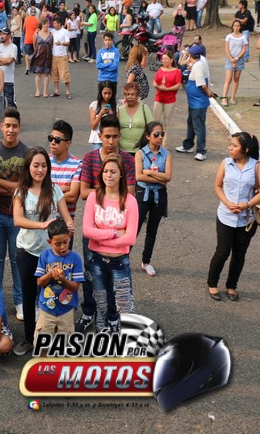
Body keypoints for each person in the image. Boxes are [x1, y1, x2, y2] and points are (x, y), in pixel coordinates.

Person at [11, 145, 76, 357]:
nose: (40, 170)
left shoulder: (55, 190)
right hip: (27, 252)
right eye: (36, 165)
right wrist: (42, 225)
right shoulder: (21, 191)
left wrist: (69, 225)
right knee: (29, 296)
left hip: (51, 255)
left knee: (52, 294)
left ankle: (52, 337)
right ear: (28, 167)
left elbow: (66, 217)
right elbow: (17, 220)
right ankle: (29, 337)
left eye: (44, 166)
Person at [76, 114, 137, 332]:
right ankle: (89, 312)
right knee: (91, 277)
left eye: (115, 136)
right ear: (100, 136)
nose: (111, 141)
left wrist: (102, 233)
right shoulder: (90, 158)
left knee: (116, 282)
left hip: (111, 236)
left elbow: (130, 193)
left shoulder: (128, 161)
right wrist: (113, 232)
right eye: (107, 136)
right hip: (99, 234)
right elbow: (84, 193)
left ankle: (112, 317)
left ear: (120, 136)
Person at [0, 108, 28, 317]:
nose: (11, 130)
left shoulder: (26, 152)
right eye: (7, 126)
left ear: (19, 128)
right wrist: (15, 187)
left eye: (14, 126)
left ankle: (20, 301)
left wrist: (0, 181)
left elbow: (26, 187)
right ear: (1, 126)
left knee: (17, 259)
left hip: (17, 217)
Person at [208, 132, 260, 302]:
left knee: (239, 254)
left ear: (246, 149)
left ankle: (232, 286)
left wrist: (247, 205)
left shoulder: (256, 166)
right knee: (222, 252)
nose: (230, 148)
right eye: (230, 144)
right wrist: (228, 203)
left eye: (235, 145)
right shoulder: (226, 163)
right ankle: (212, 283)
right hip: (225, 215)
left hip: (247, 221)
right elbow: (217, 186)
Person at [34, 220, 84, 338]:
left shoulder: (75, 258)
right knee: (43, 341)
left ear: (69, 238)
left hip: (66, 310)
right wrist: (50, 274)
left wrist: (63, 279)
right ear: (49, 242)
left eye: (65, 242)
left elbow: (75, 287)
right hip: (46, 309)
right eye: (57, 244)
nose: (62, 247)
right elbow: (39, 282)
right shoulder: (45, 256)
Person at [134, 122, 172, 277]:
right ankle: (123, 258)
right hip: (143, 193)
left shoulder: (166, 154)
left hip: (159, 195)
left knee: (152, 229)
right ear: (148, 136)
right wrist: (159, 178)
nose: (160, 137)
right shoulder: (140, 154)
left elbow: (168, 177)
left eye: (162, 134)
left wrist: (149, 172)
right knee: (134, 227)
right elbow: (138, 176)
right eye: (156, 134)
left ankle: (146, 261)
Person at [175, 44, 211, 162]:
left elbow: (202, 85)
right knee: (191, 123)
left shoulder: (198, 66)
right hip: (193, 102)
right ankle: (188, 145)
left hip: (198, 103)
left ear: (190, 55)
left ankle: (201, 151)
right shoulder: (197, 64)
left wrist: (208, 93)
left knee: (198, 126)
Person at [48, 120, 83, 223]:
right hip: (44, 221)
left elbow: (72, 197)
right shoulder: (43, 161)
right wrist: (64, 188)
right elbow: (36, 191)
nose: (52, 142)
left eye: (57, 140)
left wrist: (47, 192)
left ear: (68, 143)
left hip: (66, 224)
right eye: (50, 138)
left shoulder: (78, 164)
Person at [152, 52, 182, 145]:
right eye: (163, 59)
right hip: (159, 97)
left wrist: (167, 89)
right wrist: (157, 86)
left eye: (166, 59)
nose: (164, 61)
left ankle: (164, 142)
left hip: (169, 99)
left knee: (166, 122)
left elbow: (178, 85)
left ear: (171, 60)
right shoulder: (160, 69)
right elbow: (155, 81)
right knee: (155, 120)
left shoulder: (176, 71)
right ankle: (154, 140)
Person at [117, 82, 152, 153]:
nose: (130, 97)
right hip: (122, 151)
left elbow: (151, 128)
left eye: (133, 94)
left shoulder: (144, 108)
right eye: (128, 94)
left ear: (137, 96)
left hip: (141, 150)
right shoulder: (119, 110)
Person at [222, 19, 248, 106]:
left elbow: (244, 50)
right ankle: (224, 98)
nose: (236, 27)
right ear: (232, 27)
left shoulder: (243, 37)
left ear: (240, 27)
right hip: (230, 59)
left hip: (239, 60)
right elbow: (226, 48)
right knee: (228, 79)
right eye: (235, 26)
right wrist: (231, 59)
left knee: (236, 79)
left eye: (238, 26)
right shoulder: (229, 36)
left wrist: (236, 58)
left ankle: (233, 97)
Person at [0, 30, 18, 107]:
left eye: (4, 34)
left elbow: (10, 61)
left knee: (11, 103)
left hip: (9, 80)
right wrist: (5, 60)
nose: (2, 36)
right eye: (1, 34)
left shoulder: (13, 47)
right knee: (0, 104)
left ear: (9, 36)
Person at [49, 16, 71, 98]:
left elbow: (68, 42)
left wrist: (61, 43)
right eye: (53, 23)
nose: (53, 25)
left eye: (55, 23)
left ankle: (67, 92)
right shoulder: (53, 31)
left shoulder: (65, 31)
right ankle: (56, 91)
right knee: (54, 74)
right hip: (54, 55)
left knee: (65, 74)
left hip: (62, 56)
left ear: (59, 23)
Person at [30, 18, 52, 97]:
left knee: (46, 74)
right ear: (43, 24)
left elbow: (51, 45)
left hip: (48, 55)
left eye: (48, 24)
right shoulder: (36, 34)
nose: (48, 25)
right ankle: (38, 91)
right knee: (38, 73)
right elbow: (34, 45)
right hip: (39, 55)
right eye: (47, 24)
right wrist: (37, 53)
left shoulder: (51, 34)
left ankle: (45, 91)